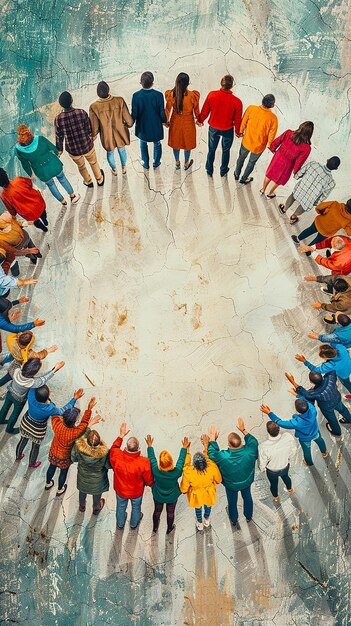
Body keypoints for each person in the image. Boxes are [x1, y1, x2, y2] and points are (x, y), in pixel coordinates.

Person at [16, 386, 83, 469]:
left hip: (26, 422)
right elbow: (63, 411)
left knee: (23, 439)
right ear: (47, 397)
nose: (50, 389)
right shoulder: (50, 408)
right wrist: (74, 398)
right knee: (35, 446)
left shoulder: (31, 394)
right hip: (38, 429)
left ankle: (18, 456)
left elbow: (36, 382)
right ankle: (32, 463)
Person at [207, 418, 258, 526]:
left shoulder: (224, 456)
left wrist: (212, 438)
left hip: (231, 485)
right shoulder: (250, 451)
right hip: (246, 481)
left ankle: (234, 520)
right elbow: (253, 442)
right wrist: (243, 430)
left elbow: (211, 454)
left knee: (232, 502)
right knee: (247, 497)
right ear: (241, 442)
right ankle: (248, 516)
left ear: (229, 445)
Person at [45, 397, 100, 497]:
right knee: (63, 473)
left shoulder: (57, 423)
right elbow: (84, 424)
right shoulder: (74, 432)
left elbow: (55, 412)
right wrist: (89, 409)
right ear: (74, 421)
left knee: (51, 467)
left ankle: (48, 483)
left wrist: (73, 399)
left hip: (54, 452)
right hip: (65, 457)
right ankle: (59, 489)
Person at [15, 124, 80, 206]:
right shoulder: (40, 139)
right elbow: (52, 147)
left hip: (41, 171)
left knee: (51, 185)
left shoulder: (19, 149)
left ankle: (62, 201)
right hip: (53, 164)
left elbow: (25, 164)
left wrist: (30, 173)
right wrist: (57, 153)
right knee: (62, 178)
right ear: (28, 131)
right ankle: (72, 196)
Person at [0, 358, 64, 434]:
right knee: (15, 414)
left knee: (5, 407)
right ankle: (9, 429)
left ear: (25, 365)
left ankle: (1, 419)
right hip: (19, 399)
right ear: (34, 373)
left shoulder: (16, 371)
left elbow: (16, 361)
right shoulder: (32, 382)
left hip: (10, 392)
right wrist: (54, 369)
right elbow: (43, 379)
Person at [109, 421, 153, 529]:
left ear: (126, 447)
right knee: (136, 507)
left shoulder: (117, 456)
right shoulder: (144, 462)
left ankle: (120, 524)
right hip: (136, 492)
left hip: (120, 490)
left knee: (120, 507)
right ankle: (133, 524)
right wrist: (151, 484)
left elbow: (114, 448)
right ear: (138, 448)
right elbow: (148, 479)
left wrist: (121, 435)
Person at [55, 91, 104, 188]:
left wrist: (59, 149)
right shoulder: (81, 112)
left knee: (81, 166)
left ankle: (88, 181)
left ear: (61, 105)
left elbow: (59, 136)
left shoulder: (58, 119)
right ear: (72, 100)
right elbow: (88, 128)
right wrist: (91, 136)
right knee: (93, 162)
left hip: (73, 150)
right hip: (87, 145)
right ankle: (99, 179)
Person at [198, 75, 243, 178]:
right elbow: (237, 120)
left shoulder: (212, 95)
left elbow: (205, 111)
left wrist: (200, 120)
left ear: (221, 83)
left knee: (212, 149)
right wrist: (237, 132)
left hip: (213, 128)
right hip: (228, 129)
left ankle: (209, 169)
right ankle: (223, 170)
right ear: (231, 86)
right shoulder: (237, 102)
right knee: (226, 150)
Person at [261, 400, 328, 467]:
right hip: (315, 431)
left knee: (306, 451)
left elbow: (280, 422)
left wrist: (269, 413)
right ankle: (324, 452)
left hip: (305, 438)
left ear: (297, 411)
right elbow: (306, 401)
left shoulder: (296, 423)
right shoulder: (312, 409)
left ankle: (309, 462)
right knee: (320, 441)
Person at [146, 434, 189, 534]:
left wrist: (150, 446)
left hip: (158, 495)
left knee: (157, 511)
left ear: (160, 464)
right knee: (170, 512)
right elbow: (181, 461)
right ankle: (169, 528)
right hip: (172, 496)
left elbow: (151, 459)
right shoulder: (176, 472)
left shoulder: (156, 470)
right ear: (171, 462)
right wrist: (184, 448)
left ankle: (155, 528)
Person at [286, 370, 351, 436]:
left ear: (311, 382)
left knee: (332, 420)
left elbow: (304, 393)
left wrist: (293, 381)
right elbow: (332, 368)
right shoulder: (330, 378)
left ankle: (337, 432)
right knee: (343, 410)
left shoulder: (313, 393)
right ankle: (349, 419)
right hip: (337, 399)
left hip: (326, 408)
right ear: (321, 376)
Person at [89, 81, 134, 176]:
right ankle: (123, 167)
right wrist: (129, 124)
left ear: (98, 93)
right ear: (108, 90)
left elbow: (94, 125)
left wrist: (94, 134)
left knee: (110, 153)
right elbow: (128, 119)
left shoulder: (94, 106)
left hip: (106, 135)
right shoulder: (119, 100)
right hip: (120, 132)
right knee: (122, 150)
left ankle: (114, 169)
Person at [279, 157, 340, 225]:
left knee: (293, 196)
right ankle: (293, 217)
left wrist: (296, 176)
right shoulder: (331, 182)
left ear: (327, 160)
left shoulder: (313, 164)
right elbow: (324, 196)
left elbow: (301, 171)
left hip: (301, 188)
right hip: (310, 198)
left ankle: (284, 209)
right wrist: (315, 203)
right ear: (335, 168)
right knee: (304, 206)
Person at [260, 121, 314, 199]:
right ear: (310, 134)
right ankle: (270, 193)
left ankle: (263, 189)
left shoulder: (289, 133)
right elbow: (299, 161)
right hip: (288, 164)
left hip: (278, 156)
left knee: (270, 173)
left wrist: (272, 148)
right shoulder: (306, 148)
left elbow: (278, 140)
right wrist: (296, 171)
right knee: (279, 179)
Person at [180, 434, 222, 531]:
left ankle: (199, 523)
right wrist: (206, 446)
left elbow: (183, 489)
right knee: (208, 506)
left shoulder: (189, 472)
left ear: (194, 464)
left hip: (196, 496)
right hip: (209, 493)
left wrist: (187, 451)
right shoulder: (212, 467)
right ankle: (207, 519)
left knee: (198, 509)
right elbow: (218, 480)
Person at [234, 94, 277, 185]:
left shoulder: (251, 108)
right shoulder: (273, 118)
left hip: (246, 141)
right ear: (272, 105)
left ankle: (236, 174)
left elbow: (244, 121)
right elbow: (271, 135)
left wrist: (240, 131)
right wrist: (270, 145)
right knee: (251, 163)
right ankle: (244, 178)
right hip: (259, 146)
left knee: (241, 158)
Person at [131, 72, 167, 170]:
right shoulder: (159, 95)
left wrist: (129, 123)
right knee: (157, 143)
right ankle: (156, 162)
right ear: (152, 83)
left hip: (142, 127)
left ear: (141, 83)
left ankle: (145, 163)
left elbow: (134, 113)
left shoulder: (136, 96)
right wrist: (165, 121)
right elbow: (161, 112)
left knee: (143, 143)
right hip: (155, 126)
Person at [165, 73, 200, 171]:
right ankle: (186, 163)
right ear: (188, 83)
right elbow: (197, 111)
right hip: (188, 123)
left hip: (175, 122)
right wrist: (199, 120)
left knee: (176, 143)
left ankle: (177, 163)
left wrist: (166, 121)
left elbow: (167, 110)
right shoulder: (193, 95)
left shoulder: (171, 94)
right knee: (187, 143)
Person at [71, 427, 110, 515]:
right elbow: (108, 466)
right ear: (99, 441)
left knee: (82, 491)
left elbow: (73, 458)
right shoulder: (104, 453)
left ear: (86, 441)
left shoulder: (79, 448)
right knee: (96, 494)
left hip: (83, 477)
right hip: (98, 481)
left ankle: (82, 506)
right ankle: (96, 508)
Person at [0, 168, 48, 232]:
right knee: (42, 213)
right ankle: (45, 220)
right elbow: (30, 183)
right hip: (37, 203)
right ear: (6, 174)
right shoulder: (18, 180)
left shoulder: (4, 196)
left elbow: (12, 211)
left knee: (36, 221)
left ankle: (43, 228)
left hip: (27, 213)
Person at [258, 421, 296, 501]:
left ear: (268, 431)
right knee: (286, 477)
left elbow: (263, 460)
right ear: (279, 429)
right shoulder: (287, 437)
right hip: (285, 466)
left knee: (274, 484)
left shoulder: (263, 446)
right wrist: (288, 457)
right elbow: (293, 450)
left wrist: (262, 468)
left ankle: (275, 497)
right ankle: (290, 489)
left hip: (272, 471)